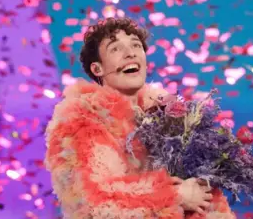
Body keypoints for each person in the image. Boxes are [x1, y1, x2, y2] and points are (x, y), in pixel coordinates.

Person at [44, 17, 235, 219]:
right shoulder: (81, 121)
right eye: (116, 49)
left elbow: (199, 188)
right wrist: (174, 195)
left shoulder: (169, 114)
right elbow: (93, 201)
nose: (130, 53)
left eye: (136, 46)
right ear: (97, 69)